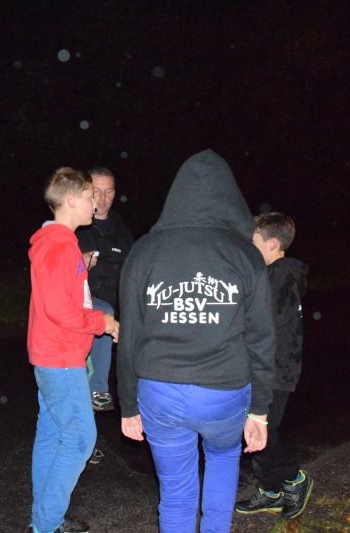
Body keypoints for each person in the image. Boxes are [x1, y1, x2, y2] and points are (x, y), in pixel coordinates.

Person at [117, 149, 275, 533]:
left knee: (175, 491)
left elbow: (129, 335)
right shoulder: (245, 254)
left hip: (160, 391)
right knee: (222, 460)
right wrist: (259, 411)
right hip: (224, 392)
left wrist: (128, 405)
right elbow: (262, 338)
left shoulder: (144, 250)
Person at [26, 167, 120, 533]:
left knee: (52, 435)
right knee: (81, 439)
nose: (95, 203)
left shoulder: (60, 242)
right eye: (88, 196)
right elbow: (60, 309)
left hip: (53, 355)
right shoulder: (61, 245)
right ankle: (46, 524)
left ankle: (44, 519)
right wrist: (102, 322)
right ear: (70, 200)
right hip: (61, 358)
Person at [235, 212, 313, 519]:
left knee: (261, 431)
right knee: (257, 430)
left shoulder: (278, 276)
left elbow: (264, 326)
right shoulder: (277, 275)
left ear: (272, 243)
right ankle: (270, 490)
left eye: (254, 241)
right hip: (272, 367)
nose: (249, 246)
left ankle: (294, 478)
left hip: (275, 369)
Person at [76, 166, 134, 414]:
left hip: (117, 305)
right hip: (84, 305)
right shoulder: (76, 225)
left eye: (108, 191)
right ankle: (97, 389)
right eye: (96, 191)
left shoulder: (122, 229)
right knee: (104, 313)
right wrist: (79, 261)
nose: (102, 198)